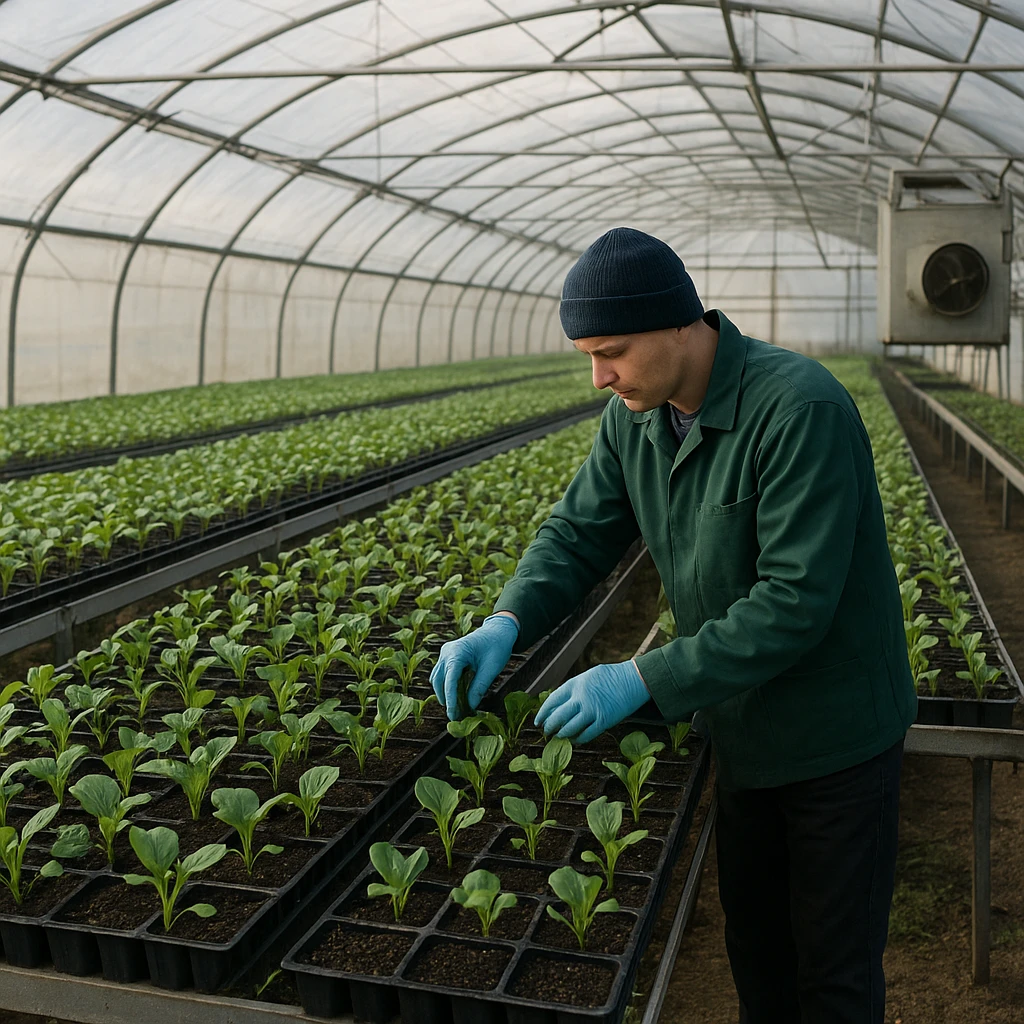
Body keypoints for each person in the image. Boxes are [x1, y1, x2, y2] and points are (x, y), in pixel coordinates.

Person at [430, 226, 916, 1024]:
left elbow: (794, 601)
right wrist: (508, 620)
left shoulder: (799, 409)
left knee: (832, 973)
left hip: (835, 738)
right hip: (740, 723)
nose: (598, 376)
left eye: (612, 350)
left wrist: (641, 676)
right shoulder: (636, 416)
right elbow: (579, 530)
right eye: (587, 354)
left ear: (679, 324)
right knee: (758, 954)